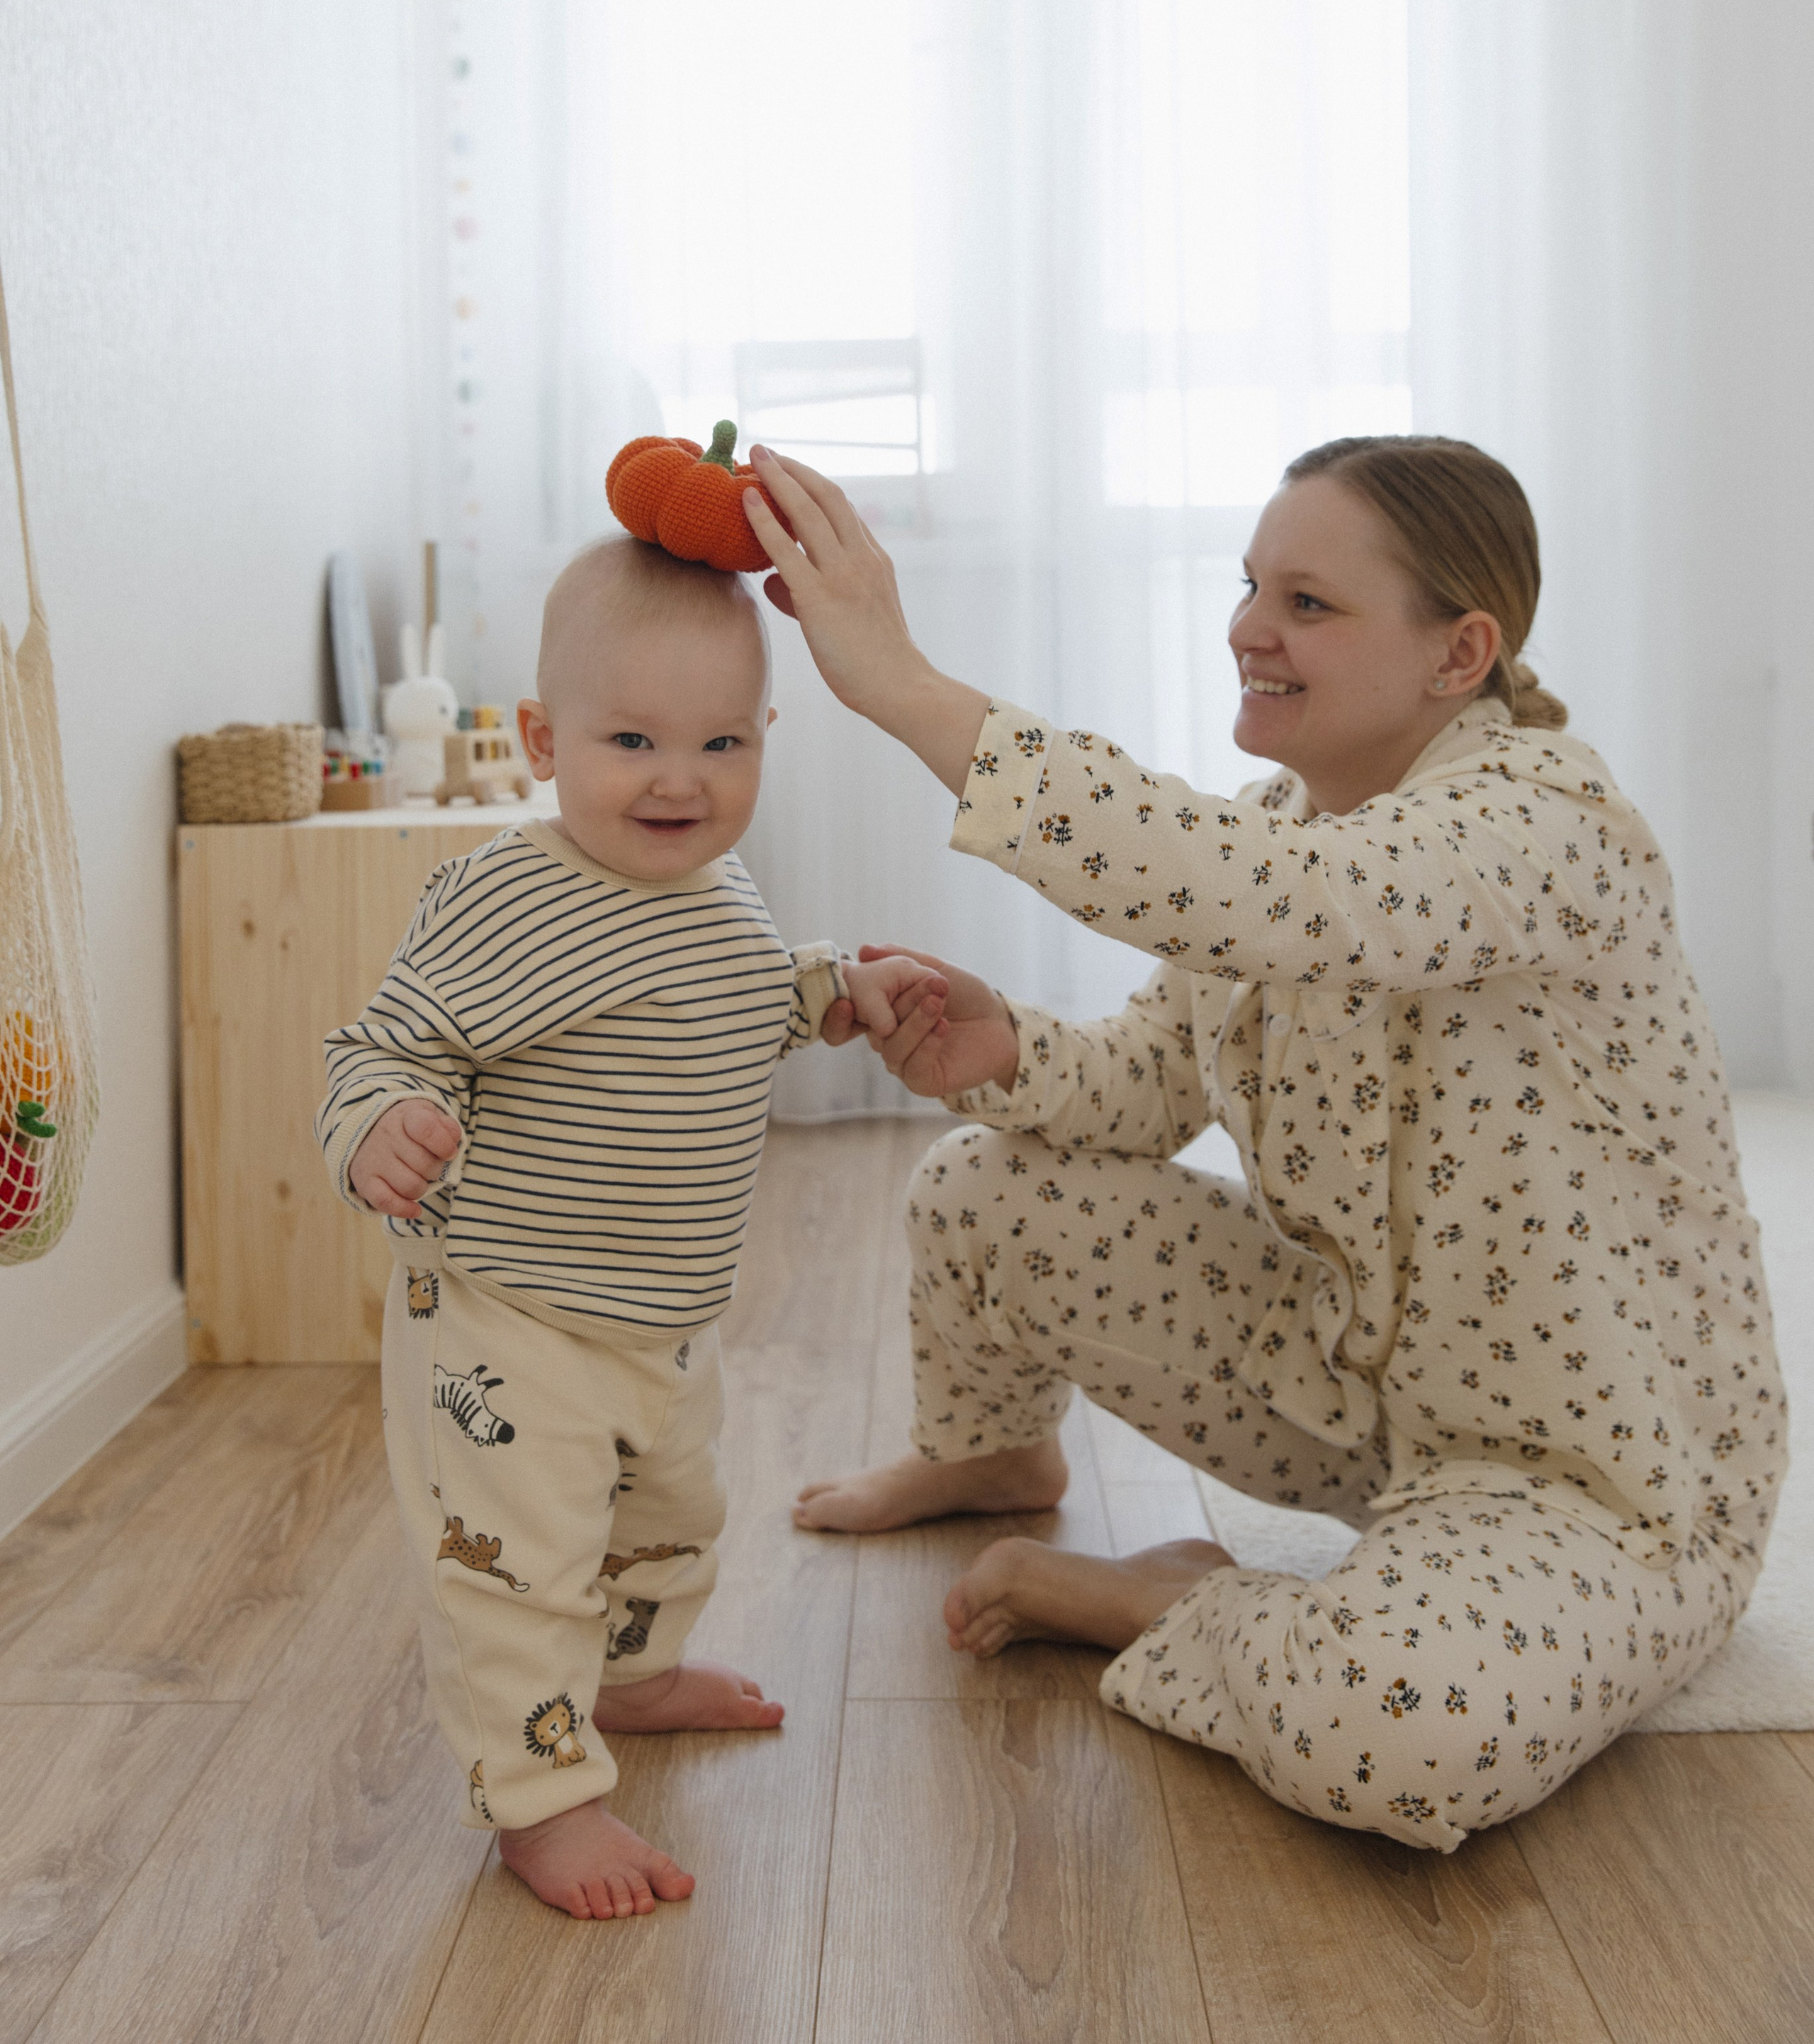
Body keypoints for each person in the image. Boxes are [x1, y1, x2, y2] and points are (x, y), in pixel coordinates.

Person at [747, 433, 1786, 1853]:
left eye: (1306, 602)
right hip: (1356, 1394)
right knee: (981, 1187)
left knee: (1396, 1726)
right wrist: (1003, 1049)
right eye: (1249, 587)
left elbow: (1278, 902)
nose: (1246, 628)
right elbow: (1141, 1085)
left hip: (1597, 1483)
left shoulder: (1545, 829)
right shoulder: (1277, 831)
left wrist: (907, 692)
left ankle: (1169, 1599)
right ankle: (991, 1459)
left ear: (1456, 651)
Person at [315, 539, 935, 1919]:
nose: (680, 777)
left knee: (668, 1519)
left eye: (721, 740)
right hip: (503, 1316)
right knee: (517, 1570)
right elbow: (381, 1043)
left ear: (766, 739)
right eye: (633, 739)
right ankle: (539, 1803)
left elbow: (733, 998)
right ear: (544, 739)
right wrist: (379, 1125)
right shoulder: (504, 897)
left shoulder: (719, 886)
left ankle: (632, 1678)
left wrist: (829, 988)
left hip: (659, 1315)